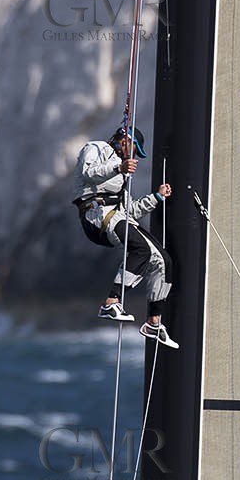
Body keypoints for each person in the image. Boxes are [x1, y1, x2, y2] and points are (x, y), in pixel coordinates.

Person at [73, 122, 178, 347]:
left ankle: (153, 322)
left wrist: (157, 197)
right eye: (135, 150)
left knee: (163, 261)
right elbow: (88, 173)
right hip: (96, 214)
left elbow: (131, 210)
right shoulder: (95, 148)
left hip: (117, 216)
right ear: (125, 141)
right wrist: (118, 168)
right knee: (140, 249)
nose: (135, 157)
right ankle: (111, 302)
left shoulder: (121, 178)